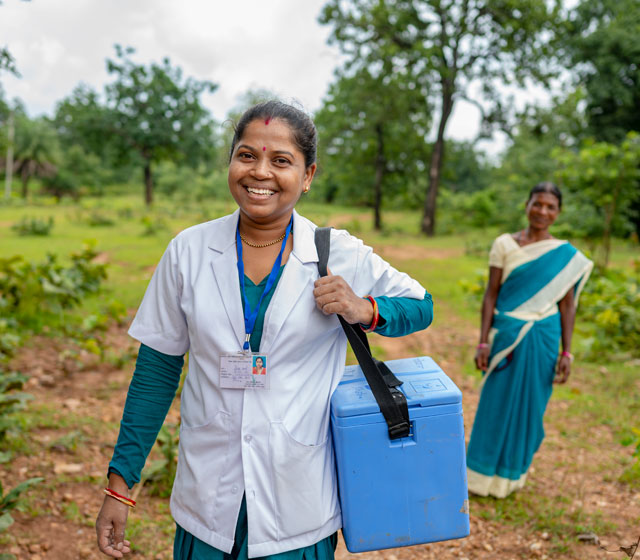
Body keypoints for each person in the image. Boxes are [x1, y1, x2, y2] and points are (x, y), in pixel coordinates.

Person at [95, 100, 434, 559]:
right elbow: (156, 373)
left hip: (299, 498)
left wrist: (363, 307)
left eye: (281, 161)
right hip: (207, 499)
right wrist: (120, 485)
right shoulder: (188, 251)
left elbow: (421, 304)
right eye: (247, 155)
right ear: (231, 161)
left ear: (308, 175)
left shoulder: (337, 252)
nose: (260, 173)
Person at [466, 182, 593, 498]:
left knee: (530, 407)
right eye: (538, 204)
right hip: (507, 334)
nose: (543, 211)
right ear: (527, 205)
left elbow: (567, 305)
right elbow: (491, 294)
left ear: (558, 213)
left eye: (551, 207)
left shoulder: (565, 256)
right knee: (495, 402)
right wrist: (482, 341)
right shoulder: (504, 244)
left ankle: (511, 477)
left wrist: (567, 351)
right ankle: (479, 478)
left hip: (544, 339)